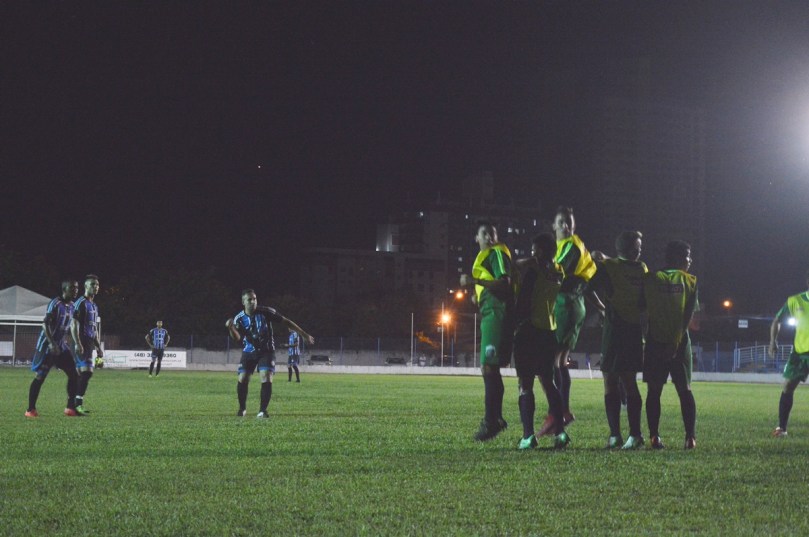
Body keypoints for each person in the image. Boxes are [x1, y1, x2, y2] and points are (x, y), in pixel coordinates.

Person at [538, 206, 599, 435]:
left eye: (569, 221)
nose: (565, 225)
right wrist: (600, 306)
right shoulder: (570, 246)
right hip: (571, 305)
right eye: (561, 221)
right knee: (560, 361)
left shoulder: (570, 246)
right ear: (553, 225)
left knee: (551, 361)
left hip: (566, 306)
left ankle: (556, 413)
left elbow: (556, 274)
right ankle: (562, 412)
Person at [587, 231, 648, 449]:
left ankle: (617, 436)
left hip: (615, 329)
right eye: (637, 247)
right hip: (632, 330)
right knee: (628, 381)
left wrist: (602, 308)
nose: (639, 250)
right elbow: (644, 301)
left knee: (611, 381)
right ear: (628, 248)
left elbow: (587, 288)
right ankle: (633, 435)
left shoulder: (608, 267)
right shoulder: (642, 269)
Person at [513, 233, 570, 449]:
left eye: (534, 250)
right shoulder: (559, 271)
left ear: (540, 251)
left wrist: (515, 325)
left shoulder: (533, 271)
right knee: (548, 381)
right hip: (549, 331)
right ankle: (561, 433)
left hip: (529, 330)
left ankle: (528, 436)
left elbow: (523, 299)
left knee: (525, 383)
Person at [459, 221, 514, 441]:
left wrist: (475, 281)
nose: (489, 238)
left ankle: (492, 421)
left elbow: (504, 282)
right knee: (490, 368)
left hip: (496, 313)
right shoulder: (487, 256)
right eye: (484, 234)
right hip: (491, 312)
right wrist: (478, 295)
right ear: (476, 238)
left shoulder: (496, 252)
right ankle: (495, 419)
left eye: (492, 233)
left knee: (489, 367)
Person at [642, 241, 699, 450]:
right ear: (677, 257)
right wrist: (675, 342)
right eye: (688, 255)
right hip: (680, 342)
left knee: (654, 390)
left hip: (655, 341)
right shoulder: (690, 281)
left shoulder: (650, 278)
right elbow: (688, 316)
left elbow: (643, 309)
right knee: (684, 390)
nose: (690, 260)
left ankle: (654, 437)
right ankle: (690, 438)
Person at [226, 289, 314, 418]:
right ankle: (242, 409)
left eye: (255, 298)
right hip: (249, 351)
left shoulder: (266, 312)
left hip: (266, 351)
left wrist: (304, 334)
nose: (253, 301)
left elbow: (286, 321)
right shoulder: (239, 318)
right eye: (249, 299)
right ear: (243, 302)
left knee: (266, 376)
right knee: (243, 378)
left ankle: (262, 411)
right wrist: (231, 328)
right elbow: (237, 338)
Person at [25, 280, 81, 418]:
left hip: (61, 346)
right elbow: (45, 324)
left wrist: (77, 342)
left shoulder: (72, 306)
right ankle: (30, 410)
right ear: (64, 289)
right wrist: (51, 344)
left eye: (76, 288)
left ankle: (70, 408)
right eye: (72, 288)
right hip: (47, 346)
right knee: (40, 377)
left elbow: (72, 326)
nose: (75, 290)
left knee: (74, 374)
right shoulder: (55, 303)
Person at [769, 268, 809, 438]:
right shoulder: (795, 301)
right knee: (787, 386)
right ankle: (782, 428)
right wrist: (773, 341)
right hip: (799, 353)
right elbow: (777, 320)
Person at [70, 274, 104, 416]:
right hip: (81, 341)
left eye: (97, 284)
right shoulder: (81, 303)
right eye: (92, 284)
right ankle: (77, 405)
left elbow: (94, 329)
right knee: (87, 372)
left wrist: (98, 347)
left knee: (80, 374)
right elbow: (74, 324)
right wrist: (78, 343)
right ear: (85, 286)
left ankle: (73, 405)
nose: (95, 287)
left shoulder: (94, 306)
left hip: (89, 342)